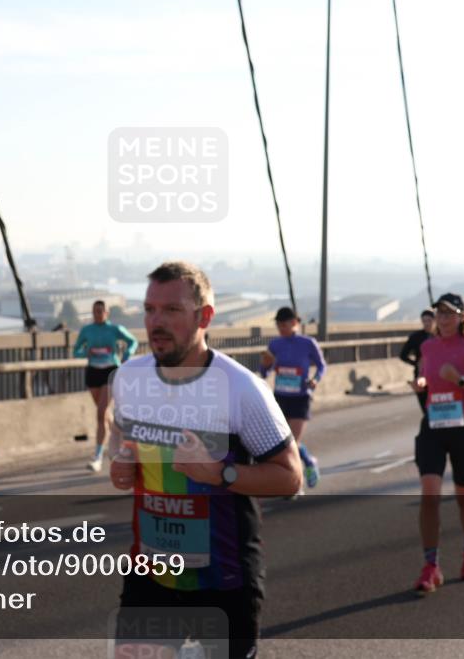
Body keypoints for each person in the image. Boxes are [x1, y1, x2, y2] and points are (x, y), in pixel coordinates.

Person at [109, 261, 302, 659]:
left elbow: (290, 478)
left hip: (223, 579)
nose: (156, 322)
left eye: (171, 310)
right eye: (149, 309)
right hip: (151, 576)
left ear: (205, 317)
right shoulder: (129, 378)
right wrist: (122, 464)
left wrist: (220, 472)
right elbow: (122, 448)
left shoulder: (241, 388)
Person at [410, 293, 464, 595]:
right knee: (429, 495)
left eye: (449, 314)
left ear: (461, 317)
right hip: (434, 425)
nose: (444, 319)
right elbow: (426, 375)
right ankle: (430, 566)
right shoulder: (428, 347)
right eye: (440, 314)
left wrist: (460, 380)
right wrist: (421, 384)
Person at [259, 306, 326, 492]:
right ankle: (308, 461)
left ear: (295, 323)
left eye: (284, 324)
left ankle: (297, 483)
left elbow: (322, 366)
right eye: (278, 324)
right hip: (280, 397)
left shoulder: (308, 343)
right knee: (282, 442)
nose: (281, 327)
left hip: (300, 397)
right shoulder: (275, 345)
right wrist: (265, 365)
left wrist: (315, 379)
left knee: (293, 442)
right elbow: (265, 371)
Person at [72, 300, 138, 472]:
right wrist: (85, 352)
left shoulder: (114, 329)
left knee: (101, 413)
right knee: (105, 415)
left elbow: (133, 341)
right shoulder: (87, 330)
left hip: (111, 371)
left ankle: (98, 457)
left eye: (101, 311)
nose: (98, 314)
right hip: (93, 372)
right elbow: (75, 351)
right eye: (95, 311)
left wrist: (127, 354)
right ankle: (123, 442)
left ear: (107, 313)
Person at [400, 309, 435, 414]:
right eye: (424, 321)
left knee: (437, 410)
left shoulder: (441, 336)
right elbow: (403, 355)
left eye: (429, 320)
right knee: (426, 410)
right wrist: (416, 363)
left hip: (437, 376)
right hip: (420, 375)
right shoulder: (416, 337)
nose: (427, 323)